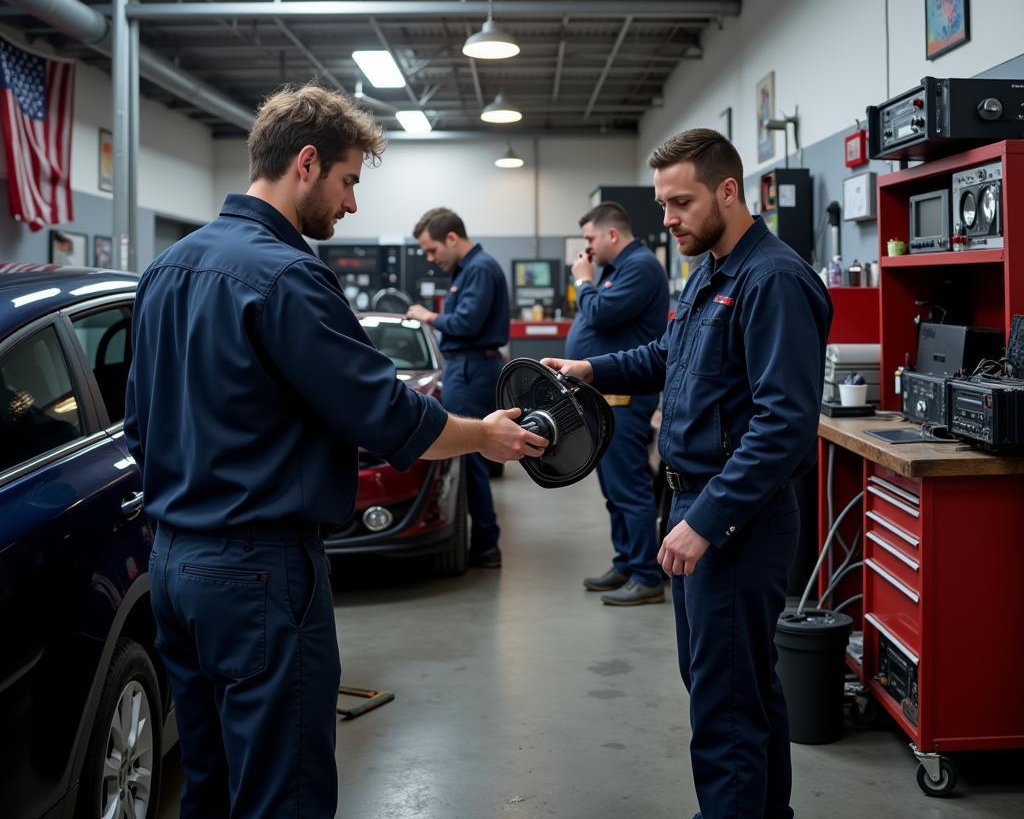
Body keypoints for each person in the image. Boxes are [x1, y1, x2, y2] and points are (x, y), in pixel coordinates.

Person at [124, 84, 546, 819]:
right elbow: (383, 413)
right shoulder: (287, 275)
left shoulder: (168, 268)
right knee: (284, 791)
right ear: (308, 162)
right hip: (259, 574)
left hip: (171, 571)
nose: (350, 205)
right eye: (349, 181)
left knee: (209, 786)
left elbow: (138, 424)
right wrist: (484, 435)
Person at [543, 129, 832, 819]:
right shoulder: (710, 272)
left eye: (680, 203)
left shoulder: (774, 281)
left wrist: (703, 521)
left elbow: (783, 425)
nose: (667, 221)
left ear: (728, 191)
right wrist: (589, 368)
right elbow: (667, 354)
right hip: (698, 504)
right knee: (739, 688)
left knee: (724, 704)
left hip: (736, 520)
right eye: (664, 205)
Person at [567, 201, 669, 605]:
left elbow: (601, 314)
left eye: (590, 239)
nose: (586, 250)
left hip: (625, 397)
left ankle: (646, 576)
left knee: (630, 488)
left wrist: (583, 280)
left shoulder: (640, 266)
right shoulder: (617, 269)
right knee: (613, 488)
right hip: (604, 397)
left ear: (612, 234)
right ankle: (627, 561)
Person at [406, 208, 510, 568]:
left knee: (469, 453)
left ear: (452, 238)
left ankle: (485, 544)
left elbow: (465, 322)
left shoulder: (479, 269)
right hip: (466, 366)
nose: (431, 260)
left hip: (471, 368)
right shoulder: (468, 271)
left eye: (432, 250)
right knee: (469, 455)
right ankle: (483, 541)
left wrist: (428, 316)